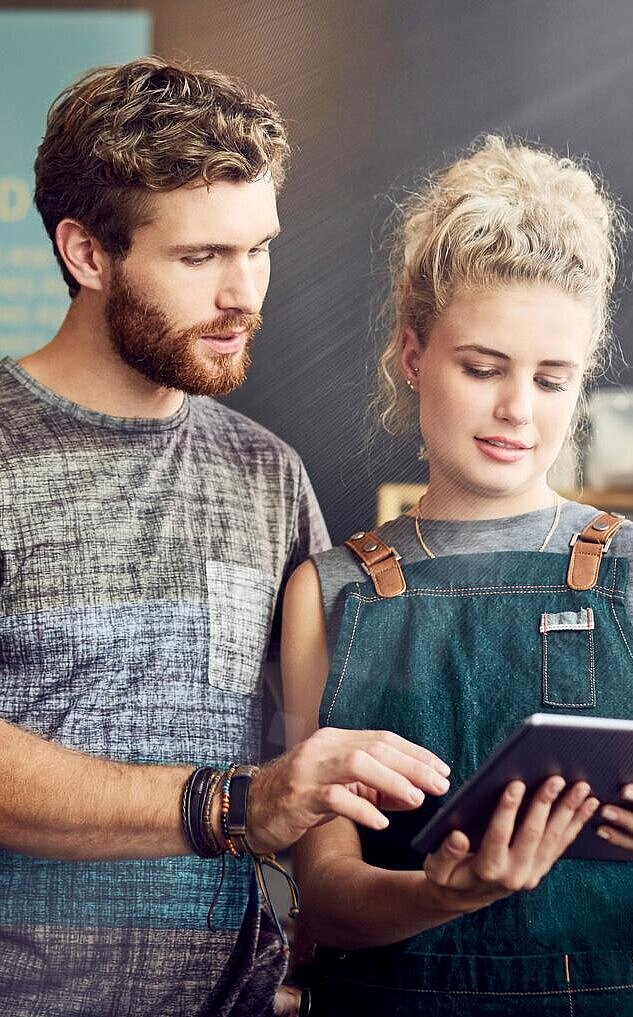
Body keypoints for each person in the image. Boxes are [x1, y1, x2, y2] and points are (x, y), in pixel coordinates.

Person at [0, 57, 450, 1017]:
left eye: (259, 249)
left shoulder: (268, 472)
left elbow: (309, 748)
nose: (244, 293)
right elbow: (258, 795)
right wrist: (232, 804)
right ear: (86, 253)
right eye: (201, 258)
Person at [282, 135, 633, 1017]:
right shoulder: (327, 590)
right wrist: (439, 895)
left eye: (552, 379)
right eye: (482, 368)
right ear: (412, 354)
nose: (517, 409)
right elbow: (324, 894)